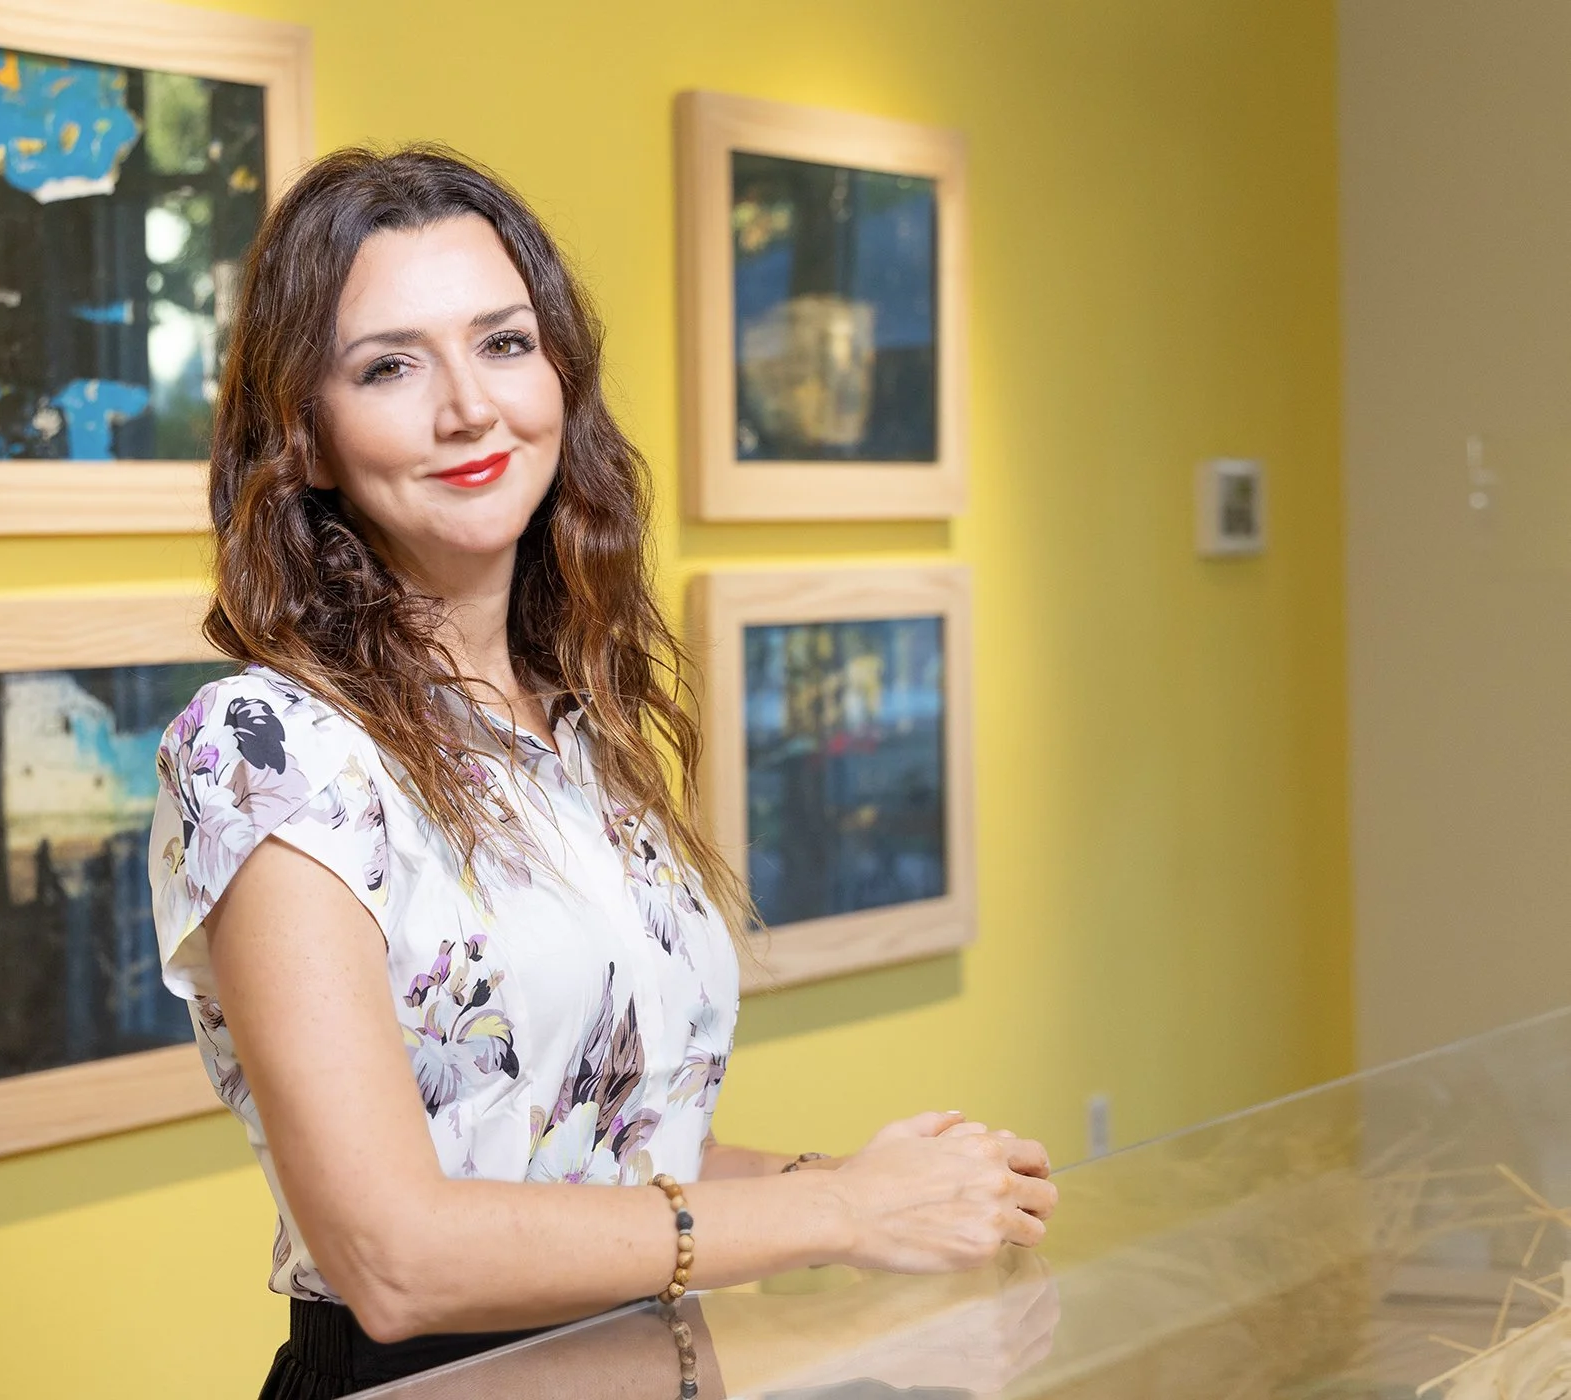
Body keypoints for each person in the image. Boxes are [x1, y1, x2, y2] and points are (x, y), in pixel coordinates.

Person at [148, 145, 1056, 1400]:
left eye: (505, 343)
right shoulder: (263, 748)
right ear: (304, 436)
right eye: (390, 365)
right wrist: (841, 1212)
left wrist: (872, 1187)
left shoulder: (580, 723)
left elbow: (598, 1158)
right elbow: (395, 1254)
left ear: (562, 374)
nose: (470, 406)